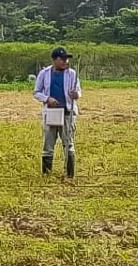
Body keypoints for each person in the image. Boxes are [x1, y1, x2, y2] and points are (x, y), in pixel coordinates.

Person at [33, 48, 82, 178]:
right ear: (54, 60)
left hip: (67, 113)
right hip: (51, 113)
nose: (65, 61)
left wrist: (75, 94)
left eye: (67, 59)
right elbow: (37, 92)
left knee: (68, 143)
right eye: (62, 59)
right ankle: (47, 174)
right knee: (48, 144)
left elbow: (78, 91)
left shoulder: (72, 74)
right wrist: (47, 99)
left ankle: (69, 174)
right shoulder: (44, 74)